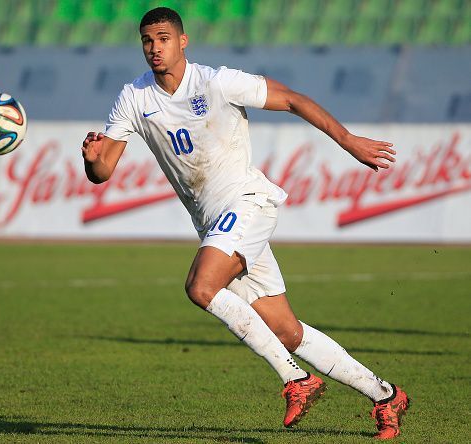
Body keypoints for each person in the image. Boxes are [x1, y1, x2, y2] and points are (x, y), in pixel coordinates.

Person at [81, 7, 409, 441]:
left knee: (201, 287)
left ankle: (297, 380)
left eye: (163, 38)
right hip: (214, 222)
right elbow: (104, 172)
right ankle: (386, 396)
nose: (154, 47)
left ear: (183, 41)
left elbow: (292, 98)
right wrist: (91, 161)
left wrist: (349, 141)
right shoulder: (134, 98)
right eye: (147, 40)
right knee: (287, 330)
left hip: (247, 202)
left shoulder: (217, 81)